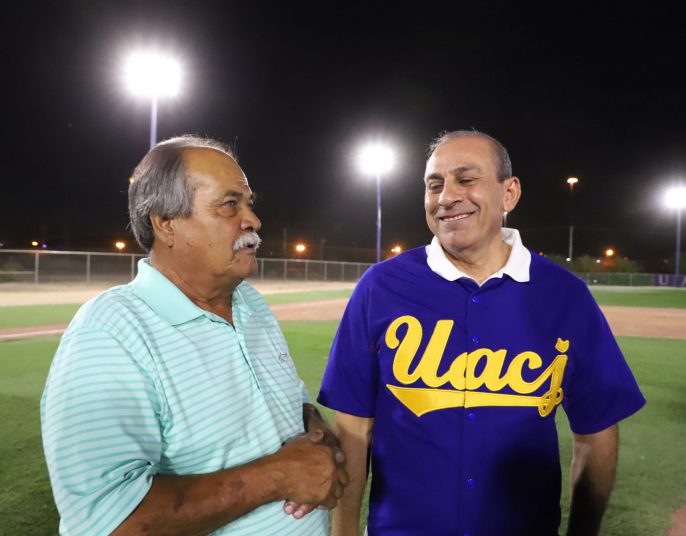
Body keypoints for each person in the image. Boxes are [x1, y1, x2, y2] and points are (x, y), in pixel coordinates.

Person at [318, 130, 645, 536]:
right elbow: (352, 426)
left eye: (466, 179)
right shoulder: (380, 287)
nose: (446, 197)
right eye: (434, 185)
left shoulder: (565, 295)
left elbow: (596, 430)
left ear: (509, 193)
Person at [41, 135, 347, 536]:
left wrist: (311, 423)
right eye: (229, 204)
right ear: (165, 223)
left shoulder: (250, 304)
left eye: (249, 203)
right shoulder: (110, 332)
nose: (253, 220)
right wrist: (277, 476)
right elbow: (105, 521)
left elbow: (285, 397)